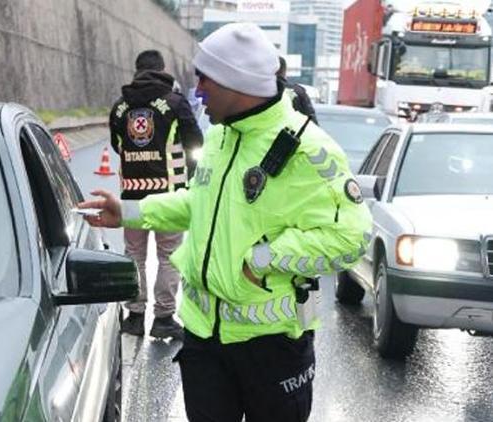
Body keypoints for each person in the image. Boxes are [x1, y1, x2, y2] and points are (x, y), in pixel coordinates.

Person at [82, 23, 372, 421]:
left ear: (237, 84)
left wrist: (267, 258)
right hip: (203, 341)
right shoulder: (219, 138)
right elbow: (199, 201)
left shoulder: (309, 150)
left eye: (205, 79)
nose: (197, 90)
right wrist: (130, 211)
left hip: (271, 348)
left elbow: (351, 238)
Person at [108, 49, 203, 339]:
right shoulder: (175, 103)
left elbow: (116, 144)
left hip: (132, 196)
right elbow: (195, 141)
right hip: (170, 195)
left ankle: (135, 316)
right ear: (162, 70)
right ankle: (163, 318)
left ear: (136, 71)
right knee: (169, 256)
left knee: (134, 254)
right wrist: (188, 173)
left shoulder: (120, 107)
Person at [277, 56, 318, 124]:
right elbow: (311, 120)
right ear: (284, 71)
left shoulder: (262, 92)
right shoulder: (298, 91)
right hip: (294, 132)